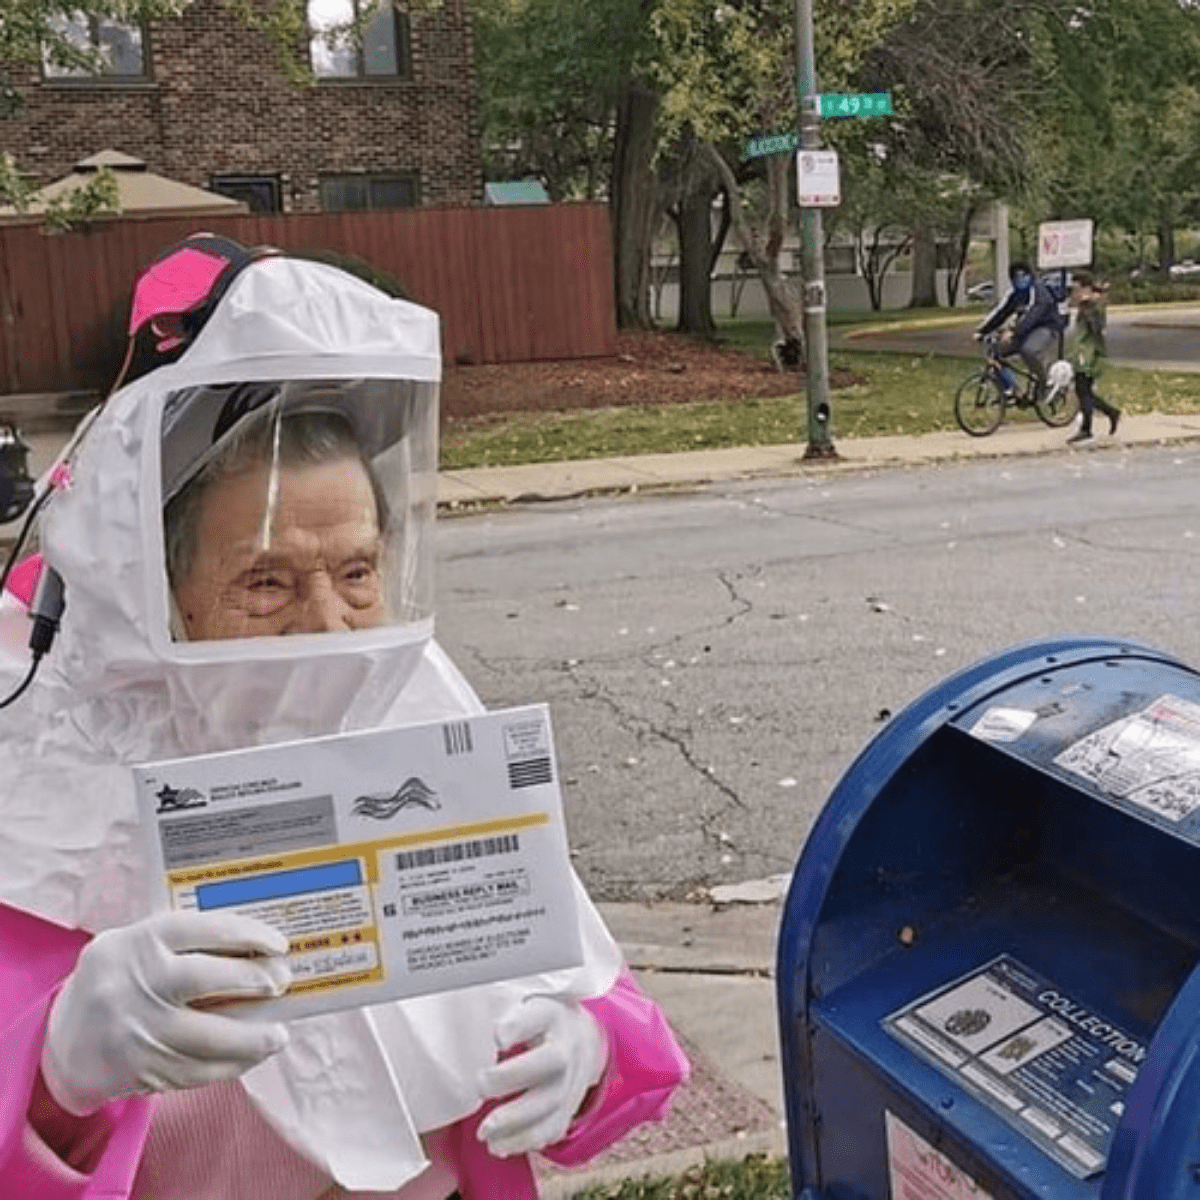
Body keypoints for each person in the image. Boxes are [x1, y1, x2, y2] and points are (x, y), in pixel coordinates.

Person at [0, 245, 688, 1199]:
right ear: (150, 589)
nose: (329, 626)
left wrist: (588, 1051)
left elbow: (603, 1005)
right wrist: (51, 1075)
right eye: (266, 581)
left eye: (358, 572)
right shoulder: (35, 767)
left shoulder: (408, 695)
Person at [974, 261, 1067, 402]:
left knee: (1029, 350)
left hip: (1046, 327)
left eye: (1024, 275)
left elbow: (1033, 314)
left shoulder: (1039, 291)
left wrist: (1014, 331)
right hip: (1024, 329)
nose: (1021, 279)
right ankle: (1013, 391)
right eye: (1016, 276)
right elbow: (1002, 312)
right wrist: (982, 331)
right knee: (995, 351)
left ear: (1030, 275)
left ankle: (1045, 384)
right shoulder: (1015, 294)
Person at [1064, 271, 1121, 445]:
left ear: (1086, 288)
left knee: (1083, 390)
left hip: (1088, 354)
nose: (1074, 293)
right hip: (1082, 352)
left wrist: (1089, 306)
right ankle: (1110, 412)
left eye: (1077, 289)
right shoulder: (1085, 306)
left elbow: (1097, 329)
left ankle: (1087, 429)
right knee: (1083, 391)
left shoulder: (1093, 306)